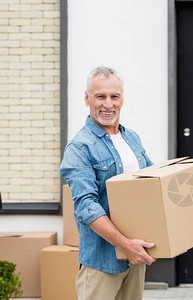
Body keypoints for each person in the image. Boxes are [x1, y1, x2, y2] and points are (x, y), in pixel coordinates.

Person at [59, 66, 156, 300]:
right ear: (87, 98)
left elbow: (153, 185)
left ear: (122, 98)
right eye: (100, 96)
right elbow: (86, 207)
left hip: (134, 256)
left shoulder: (131, 138)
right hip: (102, 262)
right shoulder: (80, 147)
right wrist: (124, 244)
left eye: (114, 96)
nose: (108, 104)